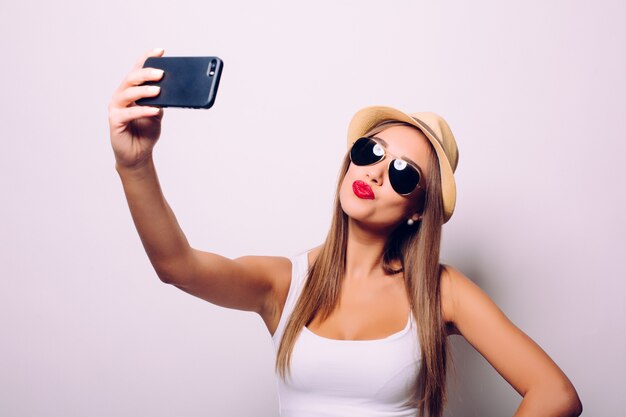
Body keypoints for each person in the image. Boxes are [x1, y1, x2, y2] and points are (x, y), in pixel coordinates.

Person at [108, 48, 583, 417]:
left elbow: (555, 394)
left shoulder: (442, 291)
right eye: (370, 150)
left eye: (402, 173)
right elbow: (177, 267)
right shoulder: (284, 282)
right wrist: (135, 164)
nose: (376, 172)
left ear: (418, 209)